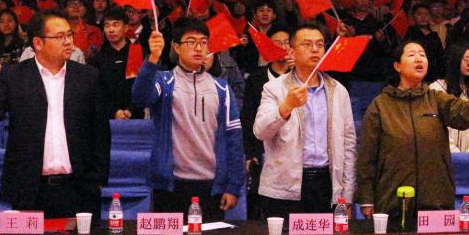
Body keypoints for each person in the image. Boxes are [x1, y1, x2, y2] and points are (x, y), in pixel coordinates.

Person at [0, 10, 110, 218]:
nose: (68, 42)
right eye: (60, 37)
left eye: (69, 35)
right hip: (29, 188)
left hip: (79, 188)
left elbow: (101, 132)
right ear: (38, 43)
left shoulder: (88, 76)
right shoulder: (14, 76)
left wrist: (97, 178)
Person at [355, 41, 469, 218]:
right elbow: (367, 156)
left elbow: (462, 113)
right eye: (411, 55)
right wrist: (366, 198)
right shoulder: (380, 105)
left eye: (422, 55)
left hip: (436, 199)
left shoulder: (436, 98)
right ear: (397, 66)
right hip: (393, 200)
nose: (419, 59)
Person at [131, 18, 244, 222]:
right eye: (191, 42)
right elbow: (140, 97)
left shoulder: (222, 88)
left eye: (203, 42)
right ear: (176, 47)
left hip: (212, 186)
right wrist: (153, 59)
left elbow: (233, 139)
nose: (198, 48)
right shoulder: (164, 81)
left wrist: (233, 186)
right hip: (170, 185)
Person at [254, 23, 356, 218]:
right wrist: (286, 106)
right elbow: (260, 131)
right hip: (284, 187)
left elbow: (349, 144)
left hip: (326, 183)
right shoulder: (274, 88)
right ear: (292, 51)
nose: (315, 49)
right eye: (307, 44)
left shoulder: (338, 90)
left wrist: (347, 194)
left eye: (320, 44)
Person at [240, 26, 294, 218]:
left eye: (287, 43)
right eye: (277, 43)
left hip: (292, 151)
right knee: (262, 206)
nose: (283, 47)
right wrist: (250, 153)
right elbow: (248, 118)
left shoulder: (302, 78)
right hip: (262, 149)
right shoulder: (256, 79)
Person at [429, 42, 469, 152]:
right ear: (455, 60)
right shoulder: (437, 88)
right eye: (466, 59)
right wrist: (454, 153)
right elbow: (437, 125)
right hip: (446, 153)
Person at [96, 7, 144, 119]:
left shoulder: (137, 51)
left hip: (134, 115)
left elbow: (142, 86)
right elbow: (97, 89)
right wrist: (114, 111)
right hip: (107, 117)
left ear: (126, 28)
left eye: (116, 25)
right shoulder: (99, 55)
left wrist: (131, 110)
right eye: (107, 26)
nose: (111, 30)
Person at [403, 4, 446, 82]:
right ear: (413, 17)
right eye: (419, 14)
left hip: (434, 75)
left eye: (426, 14)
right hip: (416, 74)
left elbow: (441, 56)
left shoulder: (434, 36)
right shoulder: (410, 33)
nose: (423, 17)